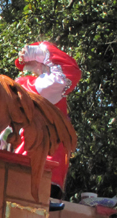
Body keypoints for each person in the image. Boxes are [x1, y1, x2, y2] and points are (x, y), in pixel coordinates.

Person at [13, 42, 81, 196]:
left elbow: (69, 72)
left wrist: (41, 51)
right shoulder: (37, 86)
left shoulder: (43, 88)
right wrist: (40, 54)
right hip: (39, 169)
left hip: (35, 168)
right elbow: (71, 72)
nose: (30, 68)